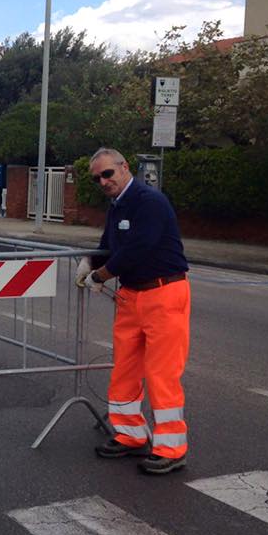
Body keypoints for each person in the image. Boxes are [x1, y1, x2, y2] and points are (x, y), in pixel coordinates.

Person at [75, 148, 190, 475]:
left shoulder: (149, 202)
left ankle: (171, 448)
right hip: (132, 295)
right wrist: (92, 261)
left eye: (108, 173)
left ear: (125, 168)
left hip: (164, 292)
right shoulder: (118, 206)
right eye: (97, 178)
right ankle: (130, 435)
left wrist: (102, 275)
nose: (103, 181)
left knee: (161, 373)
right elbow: (111, 243)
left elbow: (140, 248)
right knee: (125, 368)